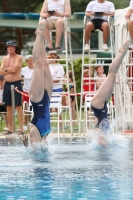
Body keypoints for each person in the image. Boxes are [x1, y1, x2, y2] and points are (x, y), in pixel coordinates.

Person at [91, 40, 129, 145]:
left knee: (111, 74)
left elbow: (101, 142)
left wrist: (107, 147)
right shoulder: (103, 131)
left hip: (98, 104)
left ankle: (122, 52)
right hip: (102, 105)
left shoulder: (100, 133)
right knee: (112, 75)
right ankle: (121, 53)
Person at [29, 19, 53, 145]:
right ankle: (41, 35)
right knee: (44, 65)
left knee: (38, 64)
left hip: (37, 100)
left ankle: (39, 34)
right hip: (47, 100)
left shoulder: (33, 131)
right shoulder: (37, 133)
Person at [0, 40, 23, 135]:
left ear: (15, 48)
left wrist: (5, 70)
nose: (10, 48)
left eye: (12, 47)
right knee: (8, 106)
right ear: (6, 48)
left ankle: (21, 128)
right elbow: (1, 71)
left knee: (18, 106)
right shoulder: (4, 59)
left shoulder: (19, 57)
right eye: (8, 47)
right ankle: (10, 128)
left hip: (16, 82)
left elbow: (16, 69)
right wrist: (8, 70)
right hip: (7, 83)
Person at [48, 52, 64, 128]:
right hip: (49, 88)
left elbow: (58, 79)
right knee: (49, 106)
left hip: (57, 88)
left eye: (53, 57)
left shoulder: (60, 67)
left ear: (56, 58)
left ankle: (60, 124)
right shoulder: (48, 66)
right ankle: (49, 124)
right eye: (50, 57)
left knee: (57, 106)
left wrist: (48, 81)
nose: (51, 58)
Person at [21, 55, 34, 126]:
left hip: (35, 91)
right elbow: (18, 76)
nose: (30, 62)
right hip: (26, 90)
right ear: (26, 62)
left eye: (31, 60)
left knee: (35, 107)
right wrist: (22, 79)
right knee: (25, 107)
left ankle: (34, 122)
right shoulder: (23, 69)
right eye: (28, 61)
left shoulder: (37, 69)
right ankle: (25, 123)